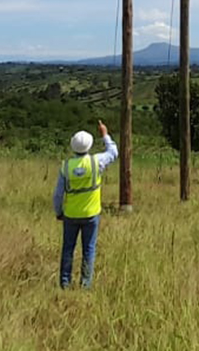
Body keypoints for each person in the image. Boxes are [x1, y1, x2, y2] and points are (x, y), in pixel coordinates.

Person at [53, 119, 118, 289]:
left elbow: (58, 194)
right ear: (89, 146)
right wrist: (105, 134)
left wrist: (59, 211)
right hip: (91, 214)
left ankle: (65, 284)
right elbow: (113, 152)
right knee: (88, 249)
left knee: (68, 249)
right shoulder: (97, 162)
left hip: (70, 215)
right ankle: (85, 284)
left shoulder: (66, 167)